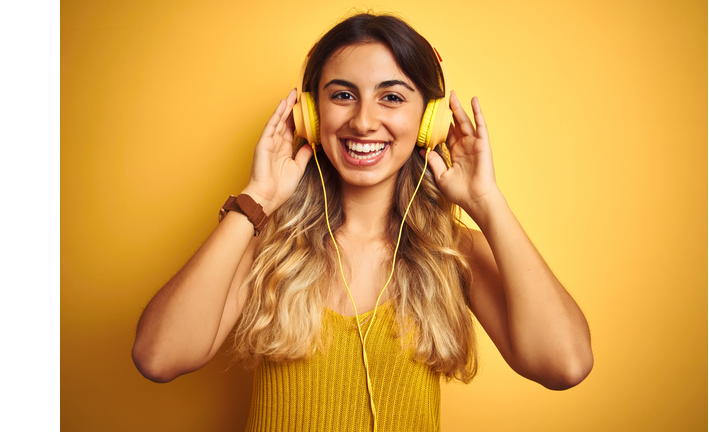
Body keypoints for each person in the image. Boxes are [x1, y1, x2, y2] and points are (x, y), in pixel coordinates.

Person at [132, 12, 593, 432]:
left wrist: (487, 203)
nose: (364, 121)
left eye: (391, 97)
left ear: (428, 120)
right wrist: (258, 199)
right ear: (311, 116)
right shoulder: (266, 242)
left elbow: (565, 365)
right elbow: (158, 357)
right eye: (343, 95)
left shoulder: (453, 252)